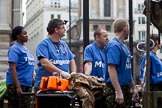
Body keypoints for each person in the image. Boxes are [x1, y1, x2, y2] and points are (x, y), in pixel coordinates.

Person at [34, 18, 77, 90]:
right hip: (46, 87)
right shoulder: (43, 44)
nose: (65, 30)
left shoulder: (63, 44)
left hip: (62, 86)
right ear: (56, 30)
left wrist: (73, 74)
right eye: (63, 28)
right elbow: (45, 63)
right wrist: (61, 72)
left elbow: (71, 59)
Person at [104, 18, 138, 108]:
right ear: (126, 28)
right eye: (129, 28)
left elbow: (127, 70)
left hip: (125, 88)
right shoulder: (114, 46)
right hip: (114, 89)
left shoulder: (124, 47)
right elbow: (111, 69)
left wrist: (133, 87)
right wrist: (118, 91)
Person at [6, 26, 35, 108]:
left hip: (27, 84)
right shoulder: (14, 49)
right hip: (17, 84)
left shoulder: (26, 49)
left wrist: (33, 76)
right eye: (24, 34)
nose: (27, 35)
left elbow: (30, 64)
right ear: (18, 36)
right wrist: (17, 87)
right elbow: (12, 68)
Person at [83, 28, 109, 108]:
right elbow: (88, 63)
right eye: (104, 36)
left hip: (107, 86)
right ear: (97, 37)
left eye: (107, 36)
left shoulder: (109, 49)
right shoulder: (90, 49)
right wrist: (86, 77)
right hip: (95, 88)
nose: (107, 38)